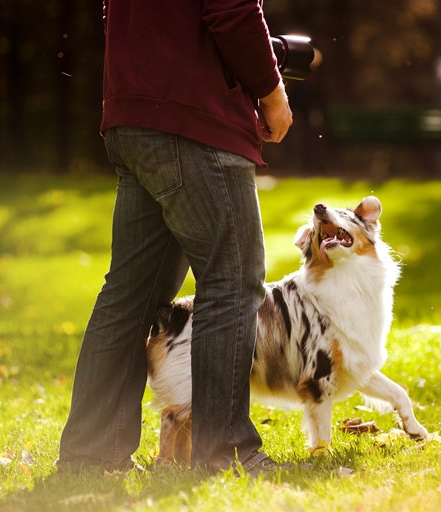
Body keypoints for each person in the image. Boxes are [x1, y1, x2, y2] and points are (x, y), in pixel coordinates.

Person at [57, 0, 292, 475]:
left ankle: (90, 457)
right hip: (194, 122)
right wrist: (272, 93)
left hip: (133, 114)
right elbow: (232, 9)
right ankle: (223, 455)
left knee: (131, 293)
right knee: (233, 282)